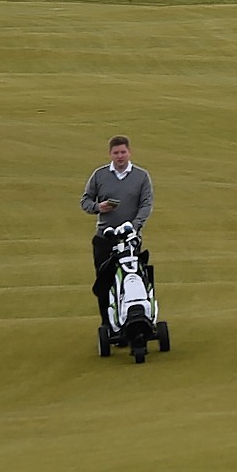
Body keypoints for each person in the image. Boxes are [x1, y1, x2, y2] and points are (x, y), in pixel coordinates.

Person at [80, 135, 154, 328]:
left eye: (123, 152)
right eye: (116, 153)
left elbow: (146, 204)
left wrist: (134, 226)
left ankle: (133, 320)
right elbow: (85, 201)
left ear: (129, 152)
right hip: (105, 238)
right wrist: (98, 207)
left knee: (131, 281)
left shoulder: (141, 176)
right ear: (110, 154)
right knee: (105, 282)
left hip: (130, 239)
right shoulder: (100, 175)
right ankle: (108, 324)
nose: (120, 156)